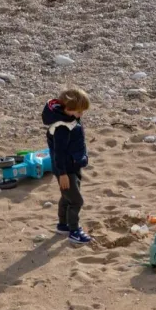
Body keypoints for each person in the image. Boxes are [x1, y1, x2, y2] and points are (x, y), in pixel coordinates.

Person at [42, 87, 92, 246]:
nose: (81, 115)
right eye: (79, 112)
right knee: (76, 201)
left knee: (67, 196)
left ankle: (62, 225)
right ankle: (74, 231)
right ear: (69, 109)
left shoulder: (70, 119)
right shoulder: (62, 127)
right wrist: (62, 173)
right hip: (65, 168)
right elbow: (59, 152)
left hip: (73, 164)